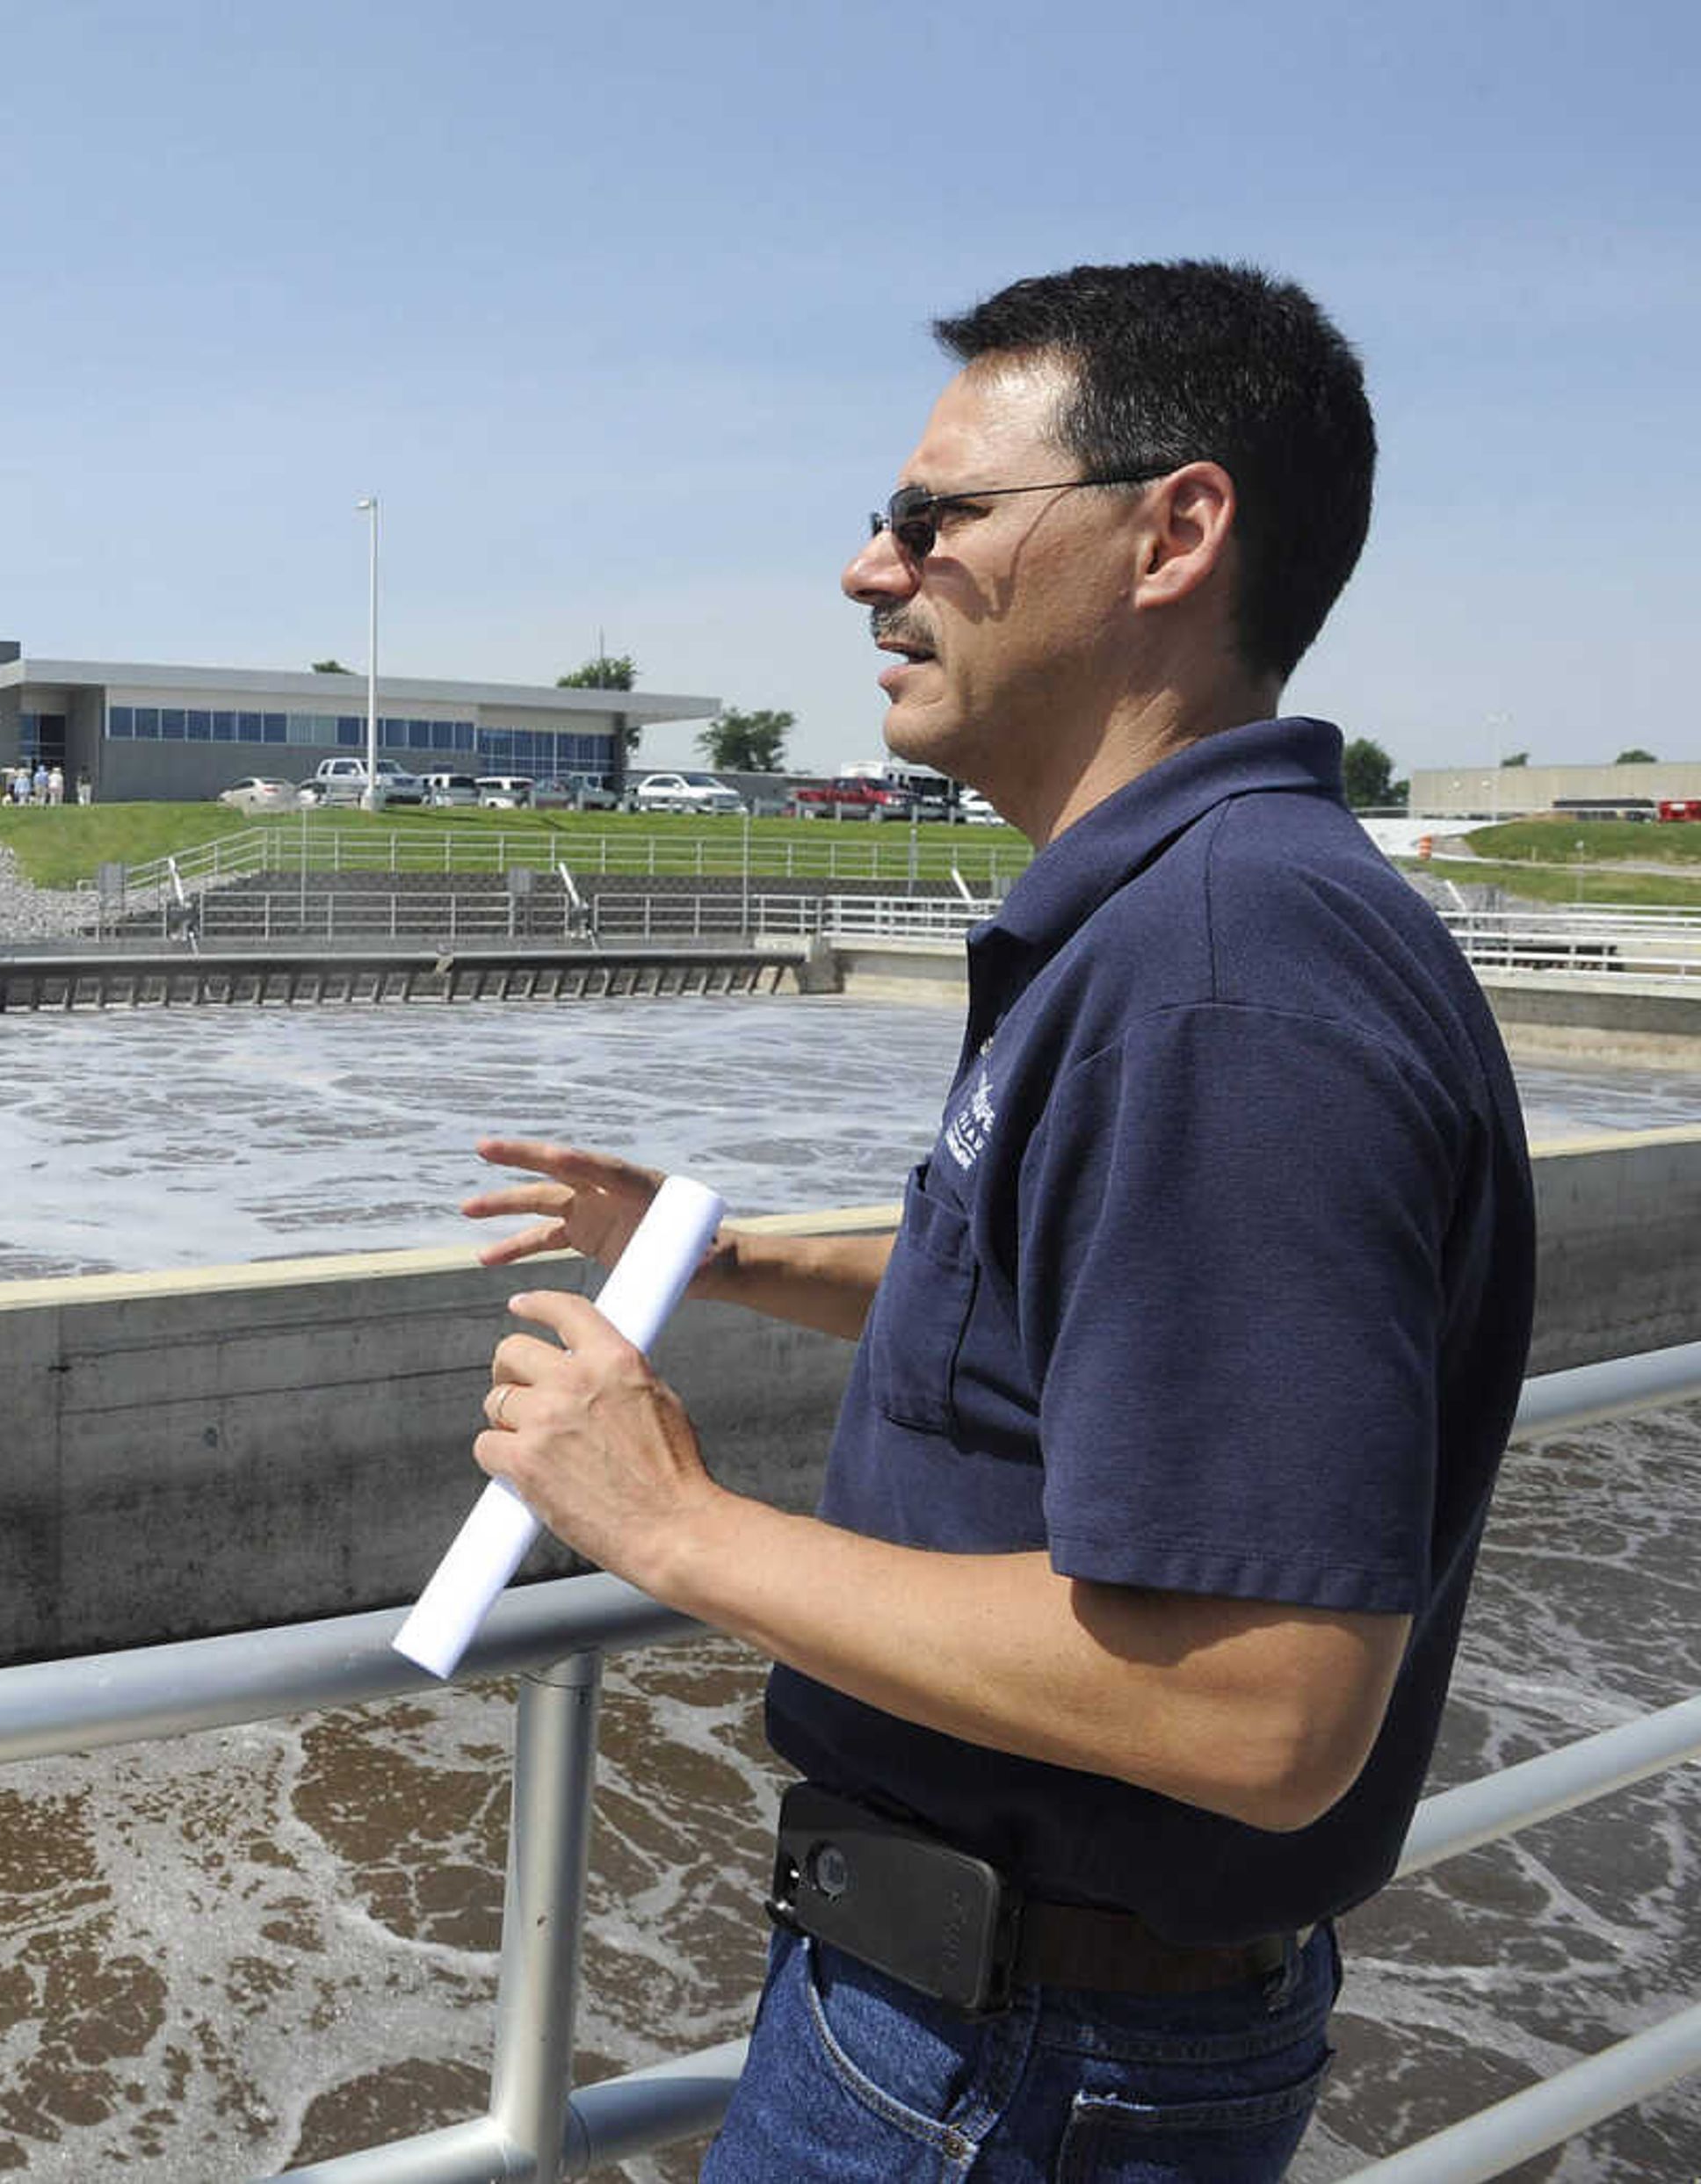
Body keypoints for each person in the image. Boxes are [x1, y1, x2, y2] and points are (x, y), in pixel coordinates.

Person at [458, 261, 1531, 2180]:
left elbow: (1265, 1702)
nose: (872, 572)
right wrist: (730, 1259)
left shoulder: (1224, 975)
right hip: (1010, 2026)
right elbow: (1075, 1321)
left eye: (933, 518)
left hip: (1009, 2064)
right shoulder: (1193, 920)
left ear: (1172, 531)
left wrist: (670, 1522)